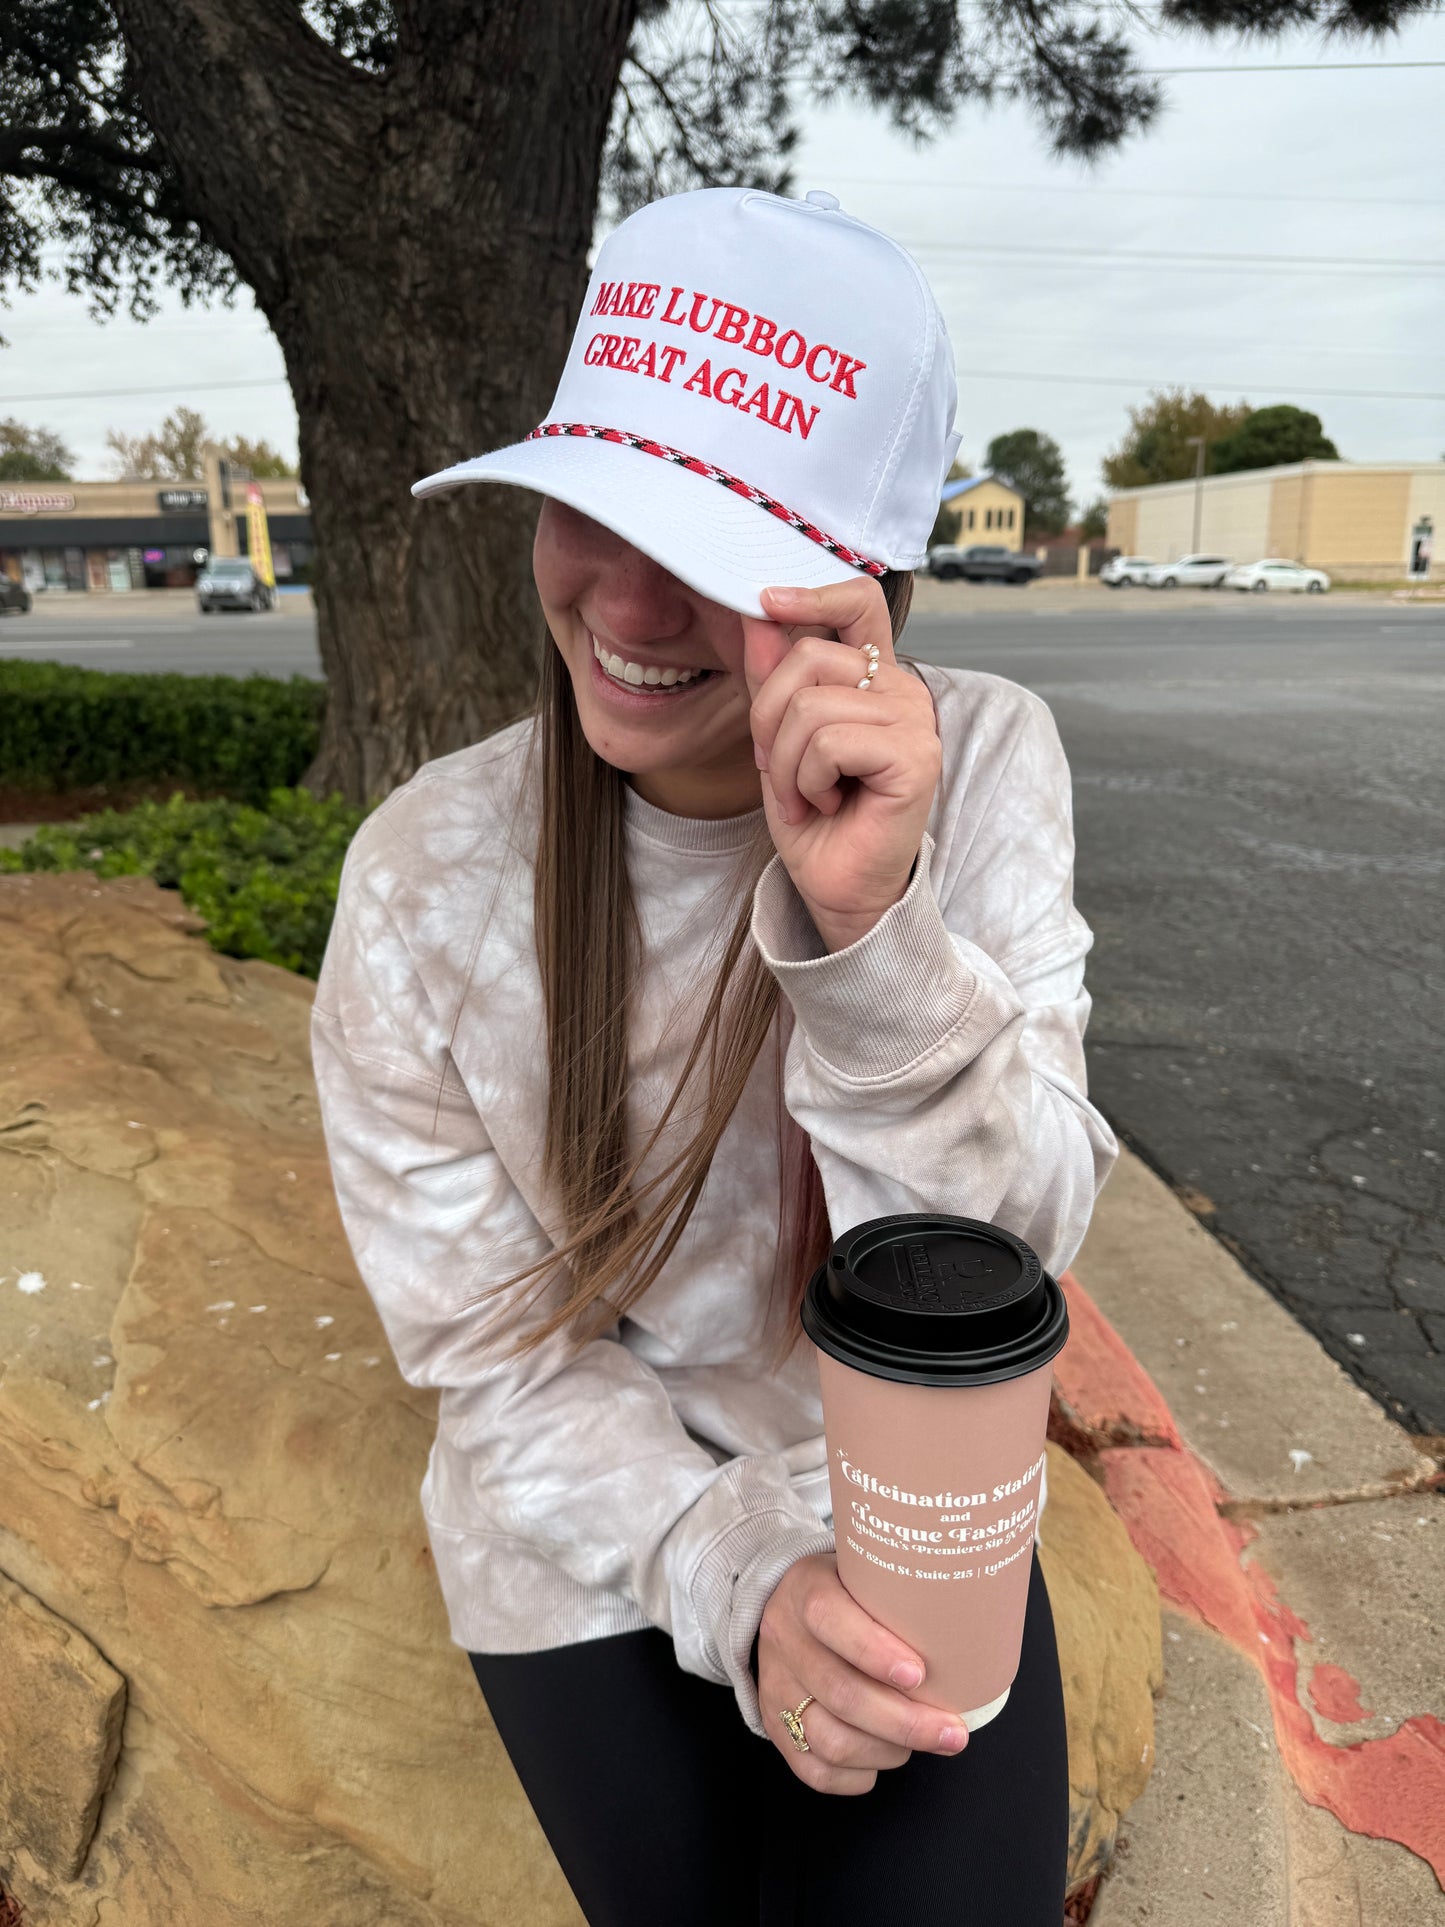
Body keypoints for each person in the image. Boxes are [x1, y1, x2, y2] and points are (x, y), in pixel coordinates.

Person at [311, 184, 1118, 1925]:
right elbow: (492, 1364)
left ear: (866, 581)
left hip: (899, 1489)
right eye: (588, 502)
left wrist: (869, 930)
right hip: (582, 1551)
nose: (618, 593)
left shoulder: (978, 764)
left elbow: (1010, 1257)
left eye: (707, 539)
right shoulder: (421, 879)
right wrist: (739, 1573)